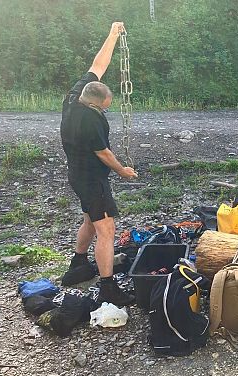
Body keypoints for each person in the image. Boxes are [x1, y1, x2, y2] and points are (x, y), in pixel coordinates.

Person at [60, 22, 138, 306]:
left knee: (90, 221)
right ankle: (108, 287)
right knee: (106, 229)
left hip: (78, 176)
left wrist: (113, 34)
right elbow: (104, 154)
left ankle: (78, 265)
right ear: (97, 103)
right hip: (92, 179)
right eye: (108, 102)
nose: (109, 104)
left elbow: (98, 64)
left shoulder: (77, 94)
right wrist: (123, 171)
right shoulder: (89, 121)